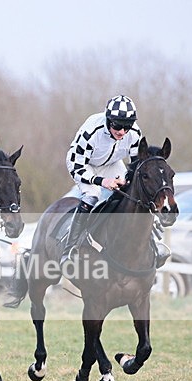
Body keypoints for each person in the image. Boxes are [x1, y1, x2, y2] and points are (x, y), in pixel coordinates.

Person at [61, 95, 142, 264]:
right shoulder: (92, 132)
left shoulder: (135, 133)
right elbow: (77, 166)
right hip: (83, 164)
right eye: (117, 125)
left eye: (127, 126)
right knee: (92, 195)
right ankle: (69, 249)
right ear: (108, 119)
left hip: (111, 163)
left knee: (131, 192)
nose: (122, 132)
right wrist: (101, 181)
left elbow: (136, 166)